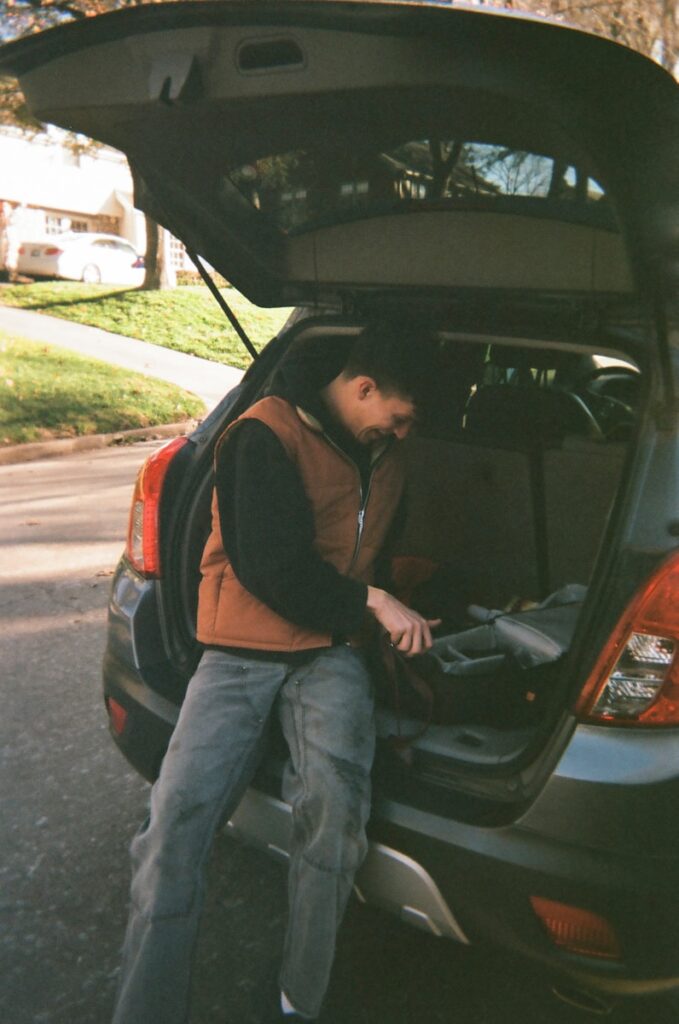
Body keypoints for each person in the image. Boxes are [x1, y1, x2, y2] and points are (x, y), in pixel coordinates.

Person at [111, 321, 440, 1024]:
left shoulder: (386, 460)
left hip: (330, 652)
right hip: (242, 647)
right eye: (399, 416)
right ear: (362, 388)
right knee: (173, 830)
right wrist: (372, 602)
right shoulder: (263, 433)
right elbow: (270, 567)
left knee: (334, 817)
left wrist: (384, 607)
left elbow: (373, 555)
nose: (402, 433)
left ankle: (299, 999)